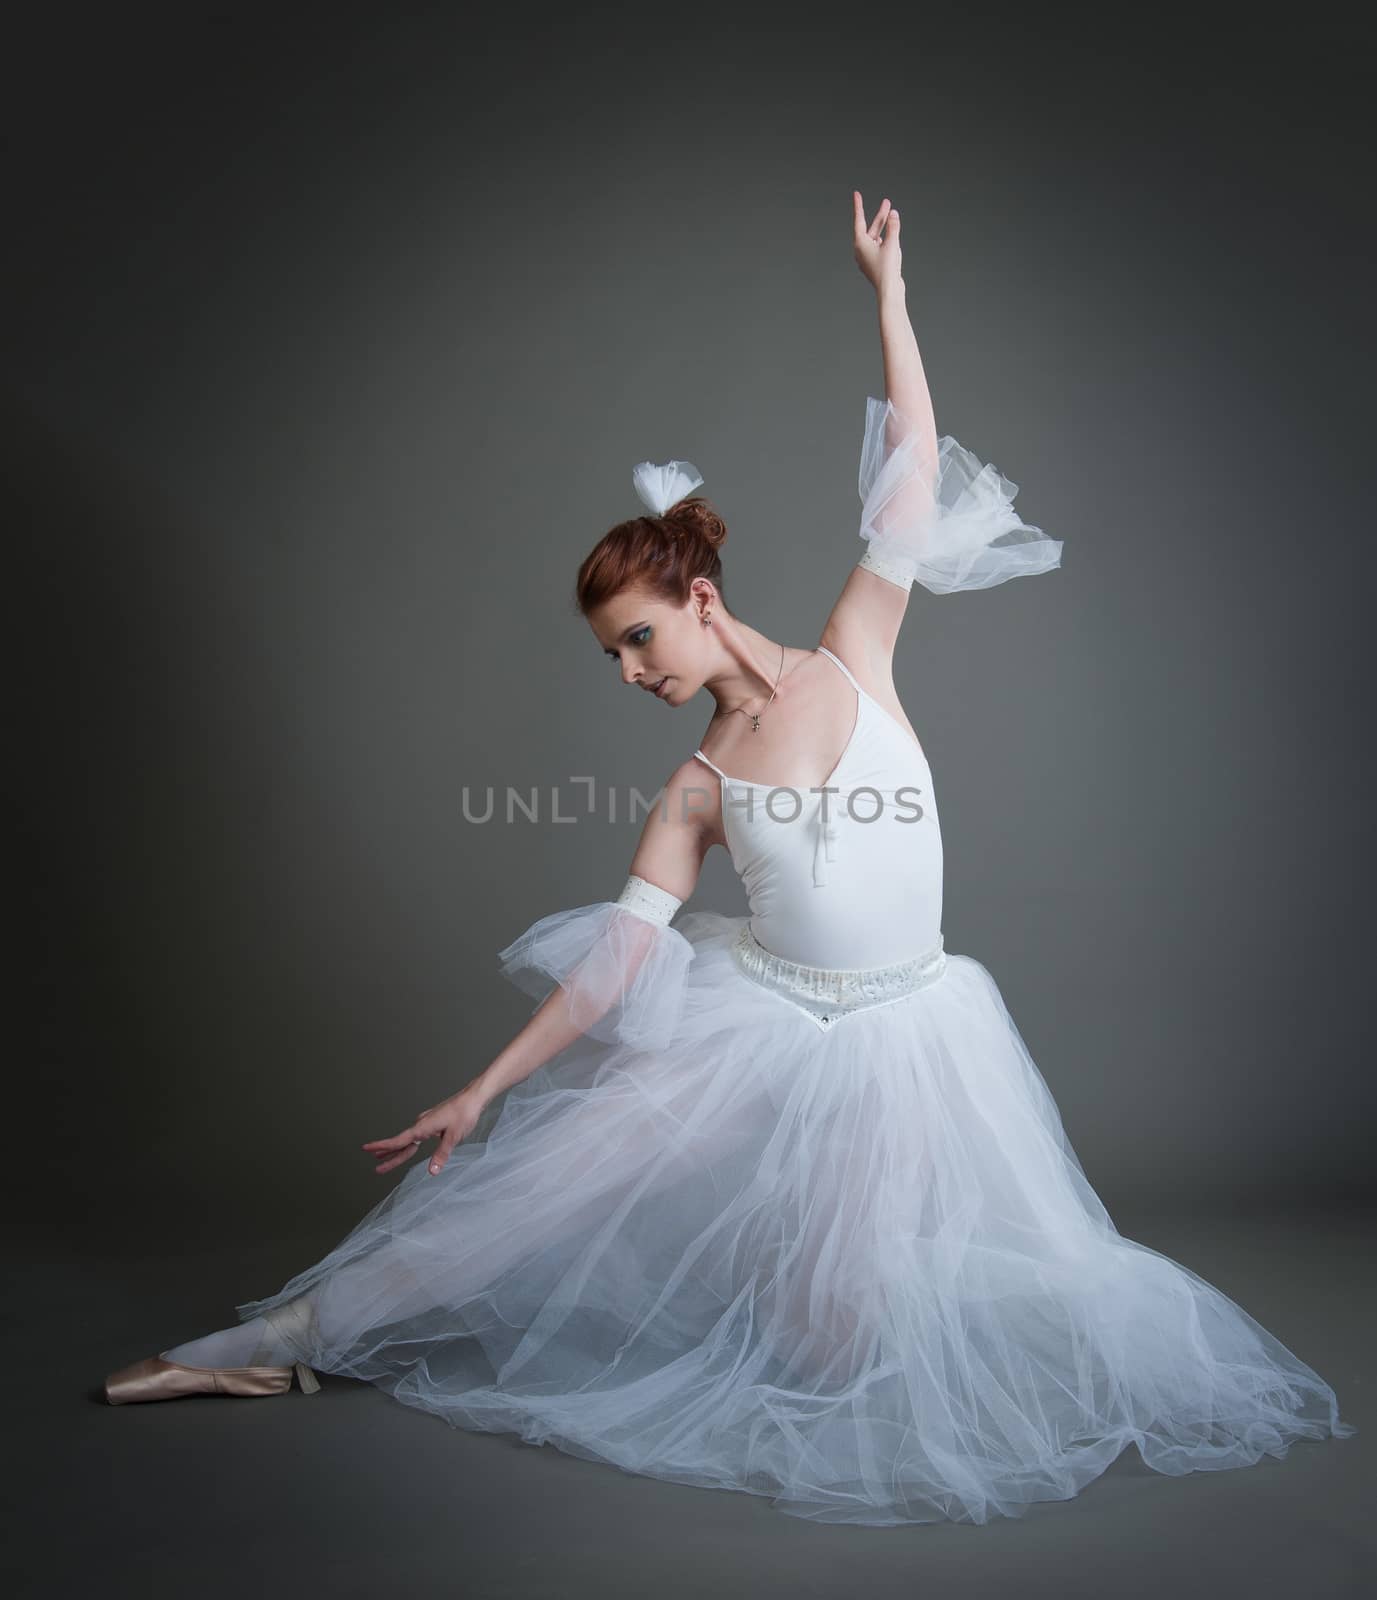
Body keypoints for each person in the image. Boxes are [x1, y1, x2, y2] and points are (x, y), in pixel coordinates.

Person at [103, 192, 1355, 1526]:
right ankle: (281, 1341)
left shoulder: (853, 654)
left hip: (903, 1038)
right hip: (755, 1019)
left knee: (832, 1350)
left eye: (639, 638)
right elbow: (612, 972)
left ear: (700, 601)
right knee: (528, 1196)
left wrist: (888, 295)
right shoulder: (693, 791)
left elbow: (914, 470)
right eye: (611, 655)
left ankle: (817, 1279)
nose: (630, 672)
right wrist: (478, 1091)